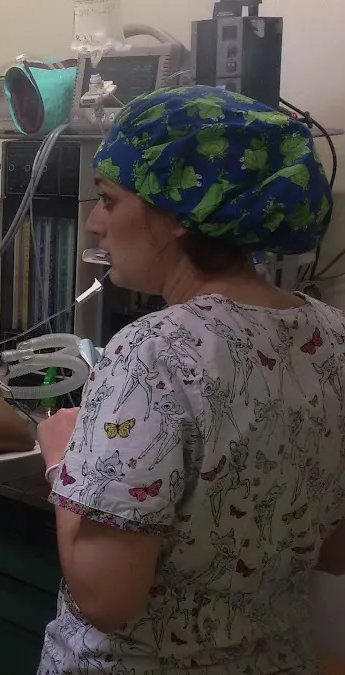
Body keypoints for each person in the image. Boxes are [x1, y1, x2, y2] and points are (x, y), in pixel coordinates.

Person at [35, 86, 345, 674]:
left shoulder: (152, 353)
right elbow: (334, 551)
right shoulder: (334, 337)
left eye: (108, 200)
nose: (95, 223)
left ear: (177, 213)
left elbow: (105, 598)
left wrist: (63, 461)